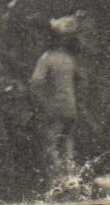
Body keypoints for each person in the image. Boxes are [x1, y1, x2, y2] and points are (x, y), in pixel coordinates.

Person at [29, 27, 84, 184]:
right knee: (68, 142)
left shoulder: (46, 58)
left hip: (54, 107)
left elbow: (36, 82)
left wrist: (42, 101)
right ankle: (71, 178)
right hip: (71, 106)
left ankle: (57, 180)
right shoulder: (69, 58)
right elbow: (81, 79)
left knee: (51, 144)